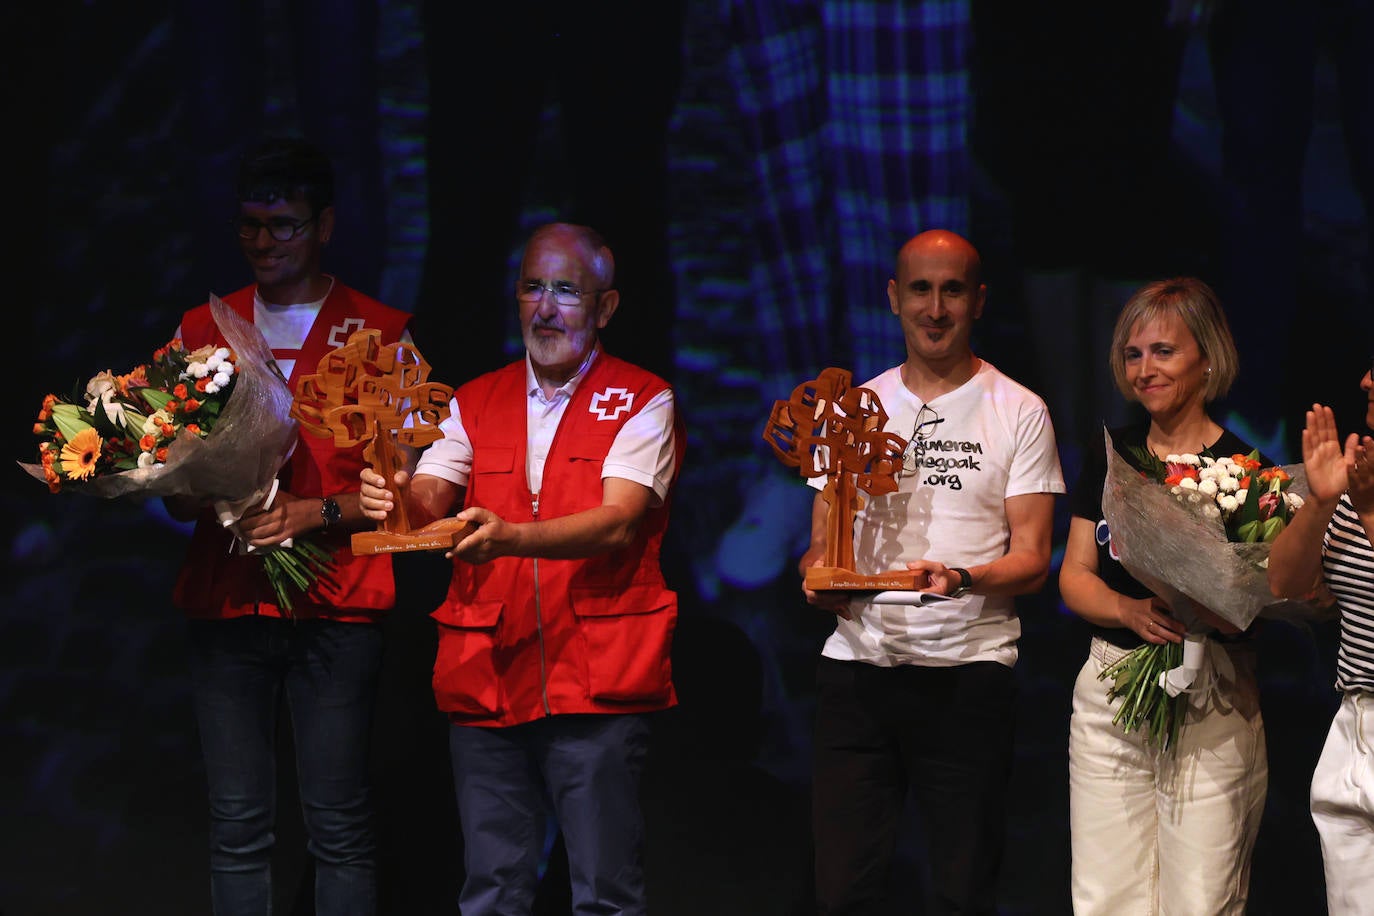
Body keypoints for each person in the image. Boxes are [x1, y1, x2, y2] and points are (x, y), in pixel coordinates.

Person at [359, 222, 682, 914]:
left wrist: (511, 538)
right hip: (490, 673)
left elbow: (620, 519)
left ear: (606, 308)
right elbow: (429, 499)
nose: (545, 308)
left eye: (567, 291)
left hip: (595, 679)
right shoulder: (474, 401)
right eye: (533, 287)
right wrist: (393, 491)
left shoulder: (642, 398)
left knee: (603, 895)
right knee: (492, 891)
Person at [169, 136, 413, 916]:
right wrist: (189, 485)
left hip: (337, 606)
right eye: (250, 226)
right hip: (229, 602)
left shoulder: (379, 335)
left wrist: (315, 513)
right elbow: (170, 486)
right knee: (237, 824)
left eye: (285, 226)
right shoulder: (203, 330)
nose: (265, 243)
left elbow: (412, 490)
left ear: (326, 225)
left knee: (337, 824)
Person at [799, 229, 1064, 914]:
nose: (935, 307)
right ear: (894, 298)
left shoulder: (1020, 410)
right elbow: (820, 546)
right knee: (842, 894)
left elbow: (1034, 559)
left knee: (962, 890)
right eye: (921, 289)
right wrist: (819, 577)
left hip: (967, 673)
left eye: (952, 290)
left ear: (978, 301)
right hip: (858, 671)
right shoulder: (855, 407)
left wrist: (962, 578)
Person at [1058, 277, 1268, 914]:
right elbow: (1074, 575)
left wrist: (1208, 608)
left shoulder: (1246, 474)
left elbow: (1260, 597)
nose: (1145, 368)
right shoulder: (1111, 456)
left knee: (1199, 899)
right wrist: (1127, 609)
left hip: (1209, 696)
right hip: (1110, 695)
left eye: (1163, 352)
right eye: (1133, 354)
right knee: (1105, 896)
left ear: (1207, 357)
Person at [1268, 373, 1374, 914]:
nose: (1365, 380)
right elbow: (1284, 583)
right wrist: (1322, 502)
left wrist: (1370, 513)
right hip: (1352, 724)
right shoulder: (1360, 472)